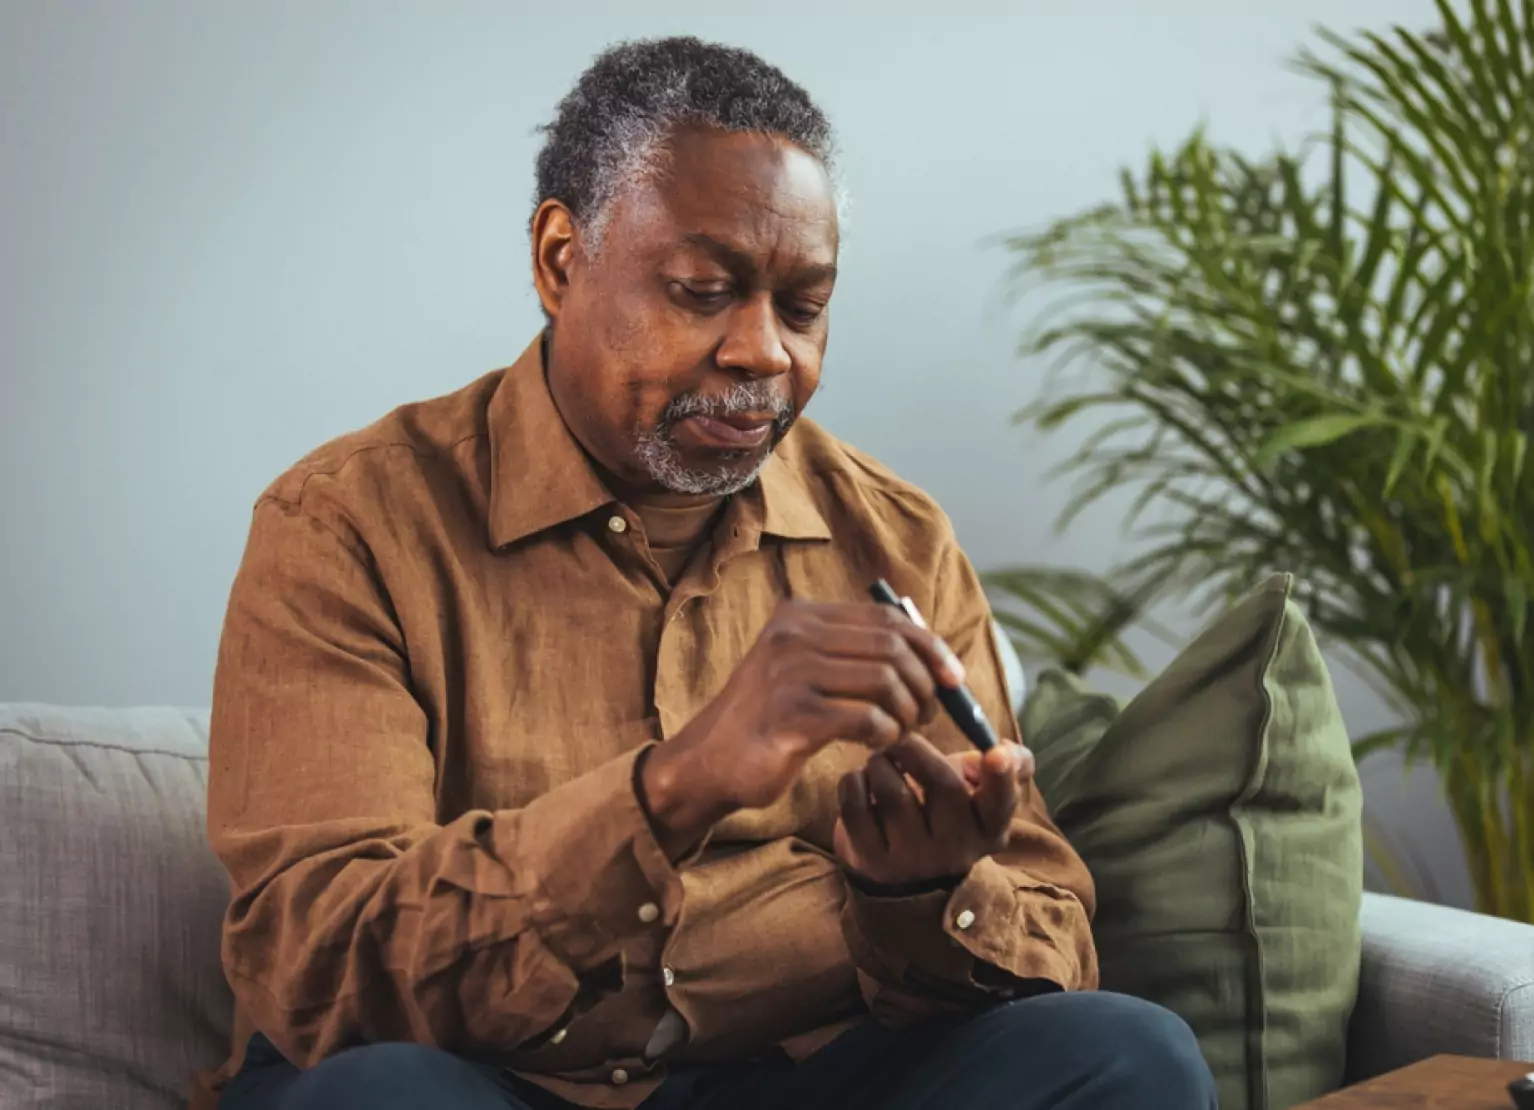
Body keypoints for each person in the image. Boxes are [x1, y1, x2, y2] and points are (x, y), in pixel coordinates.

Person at [201, 35, 1216, 1110]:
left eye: (804, 306)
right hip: (489, 1077)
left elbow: (1053, 921)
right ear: (559, 258)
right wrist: (678, 784)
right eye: (701, 290)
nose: (766, 353)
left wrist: (915, 892)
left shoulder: (893, 537)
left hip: (794, 1075)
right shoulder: (347, 526)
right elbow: (321, 969)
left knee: (1126, 1055)